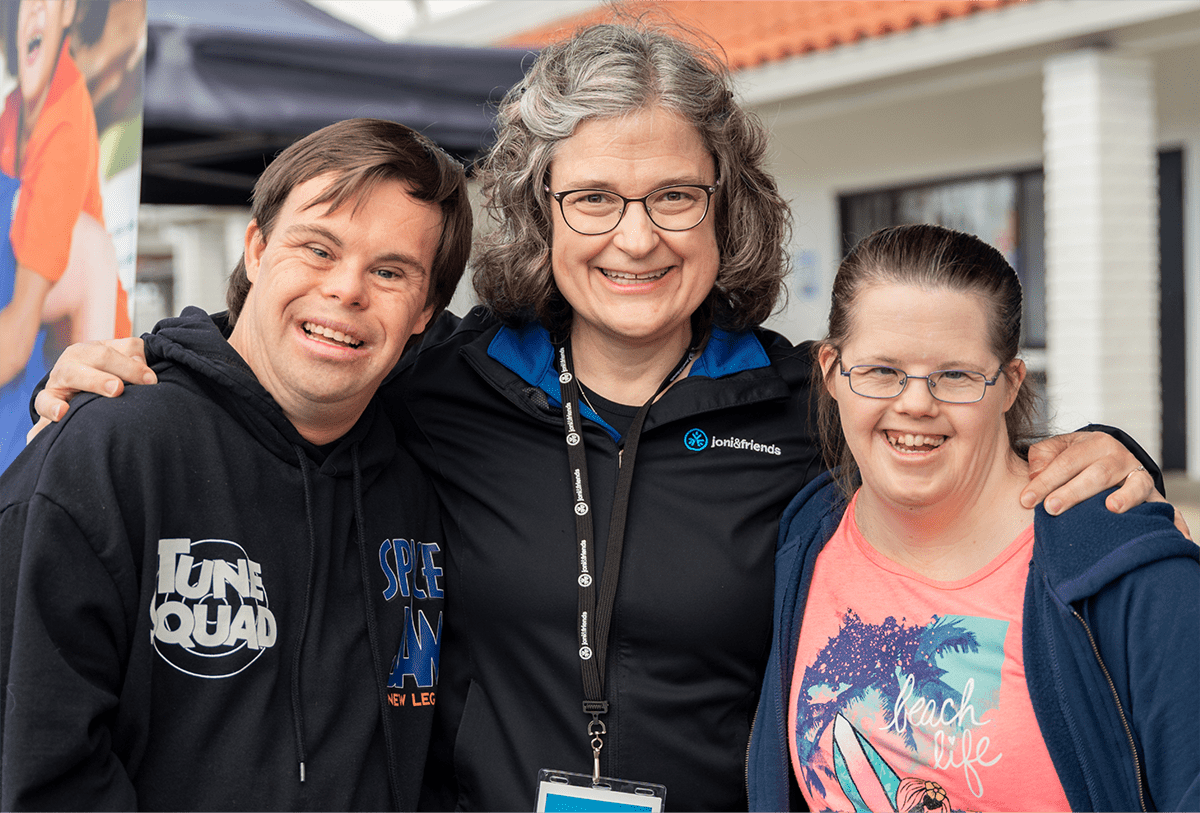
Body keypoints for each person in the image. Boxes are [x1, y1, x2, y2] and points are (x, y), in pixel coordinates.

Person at [28, 23, 1172, 812]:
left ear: (726, 213)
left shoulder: (799, 409)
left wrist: (1099, 447)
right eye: (594, 199)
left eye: (675, 196)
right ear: (539, 210)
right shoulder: (442, 387)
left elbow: (940, 435)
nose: (638, 237)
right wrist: (155, 364)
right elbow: (295, 374)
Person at [0, 118, 473, 811]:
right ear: (255, 248)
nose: (347, 290)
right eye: (318, 248)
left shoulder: (423, 473)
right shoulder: (108, 451)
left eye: (391, 271)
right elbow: (39, 765)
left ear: (427, 310)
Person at [747, 224, 1199, 812]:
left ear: (1010, 384)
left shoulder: (1129, 574)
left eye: (955, 376)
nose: (914, 403)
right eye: (882, 370)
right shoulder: (808, 535)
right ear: (832, 370)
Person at [0, 0, 124, 472]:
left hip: (59, 395)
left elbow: (14, 342)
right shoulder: (16, 113)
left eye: (46, 3)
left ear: (70, 12)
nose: (32, 14)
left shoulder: (62, 126)